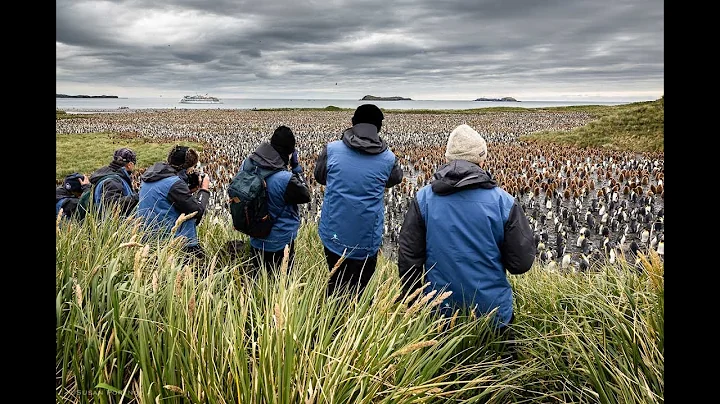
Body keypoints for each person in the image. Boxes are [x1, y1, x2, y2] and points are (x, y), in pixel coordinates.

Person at [397, 124, 535, 334]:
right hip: (493, 314)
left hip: (439, 314)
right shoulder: (503, 202)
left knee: (445, 366)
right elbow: (521, 264)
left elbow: (409, 258)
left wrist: (414, 304)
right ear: (481, 160)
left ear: (448, 159)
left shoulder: (423, 199)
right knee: (497, 364)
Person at [314, 104, 403, 295]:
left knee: (335, 283)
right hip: (366, 238)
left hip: (333, 234)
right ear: (379, 127)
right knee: (362, 290)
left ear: (353, 123)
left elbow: (320, 177)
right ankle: (358, 322)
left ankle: (332, 320)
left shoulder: (331, 150)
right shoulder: (388, 158)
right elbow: (395, 179)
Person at [243, 125, 311, 273]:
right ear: (290, 152)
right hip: (280, 242)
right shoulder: (286, 179)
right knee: (281, 283)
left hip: (255, 237)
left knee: (259, 278)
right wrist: (296, 167)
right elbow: (306, 194)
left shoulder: (247, 166)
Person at [137, 145, 210, 260]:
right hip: (171, 243)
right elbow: (197, 211)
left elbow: (167, 197)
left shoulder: (151, 176)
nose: (191, 173)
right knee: (202, 268)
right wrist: (204, 190)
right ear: (185, 168)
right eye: (191, 169)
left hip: (148, 240)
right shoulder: (174, 184)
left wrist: (188, 191)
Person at [87, 147, 139, 218]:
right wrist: (136, 197)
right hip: (113, 225)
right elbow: (112, 204)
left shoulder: (109, 175)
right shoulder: (112, 181)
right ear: (130, 164)